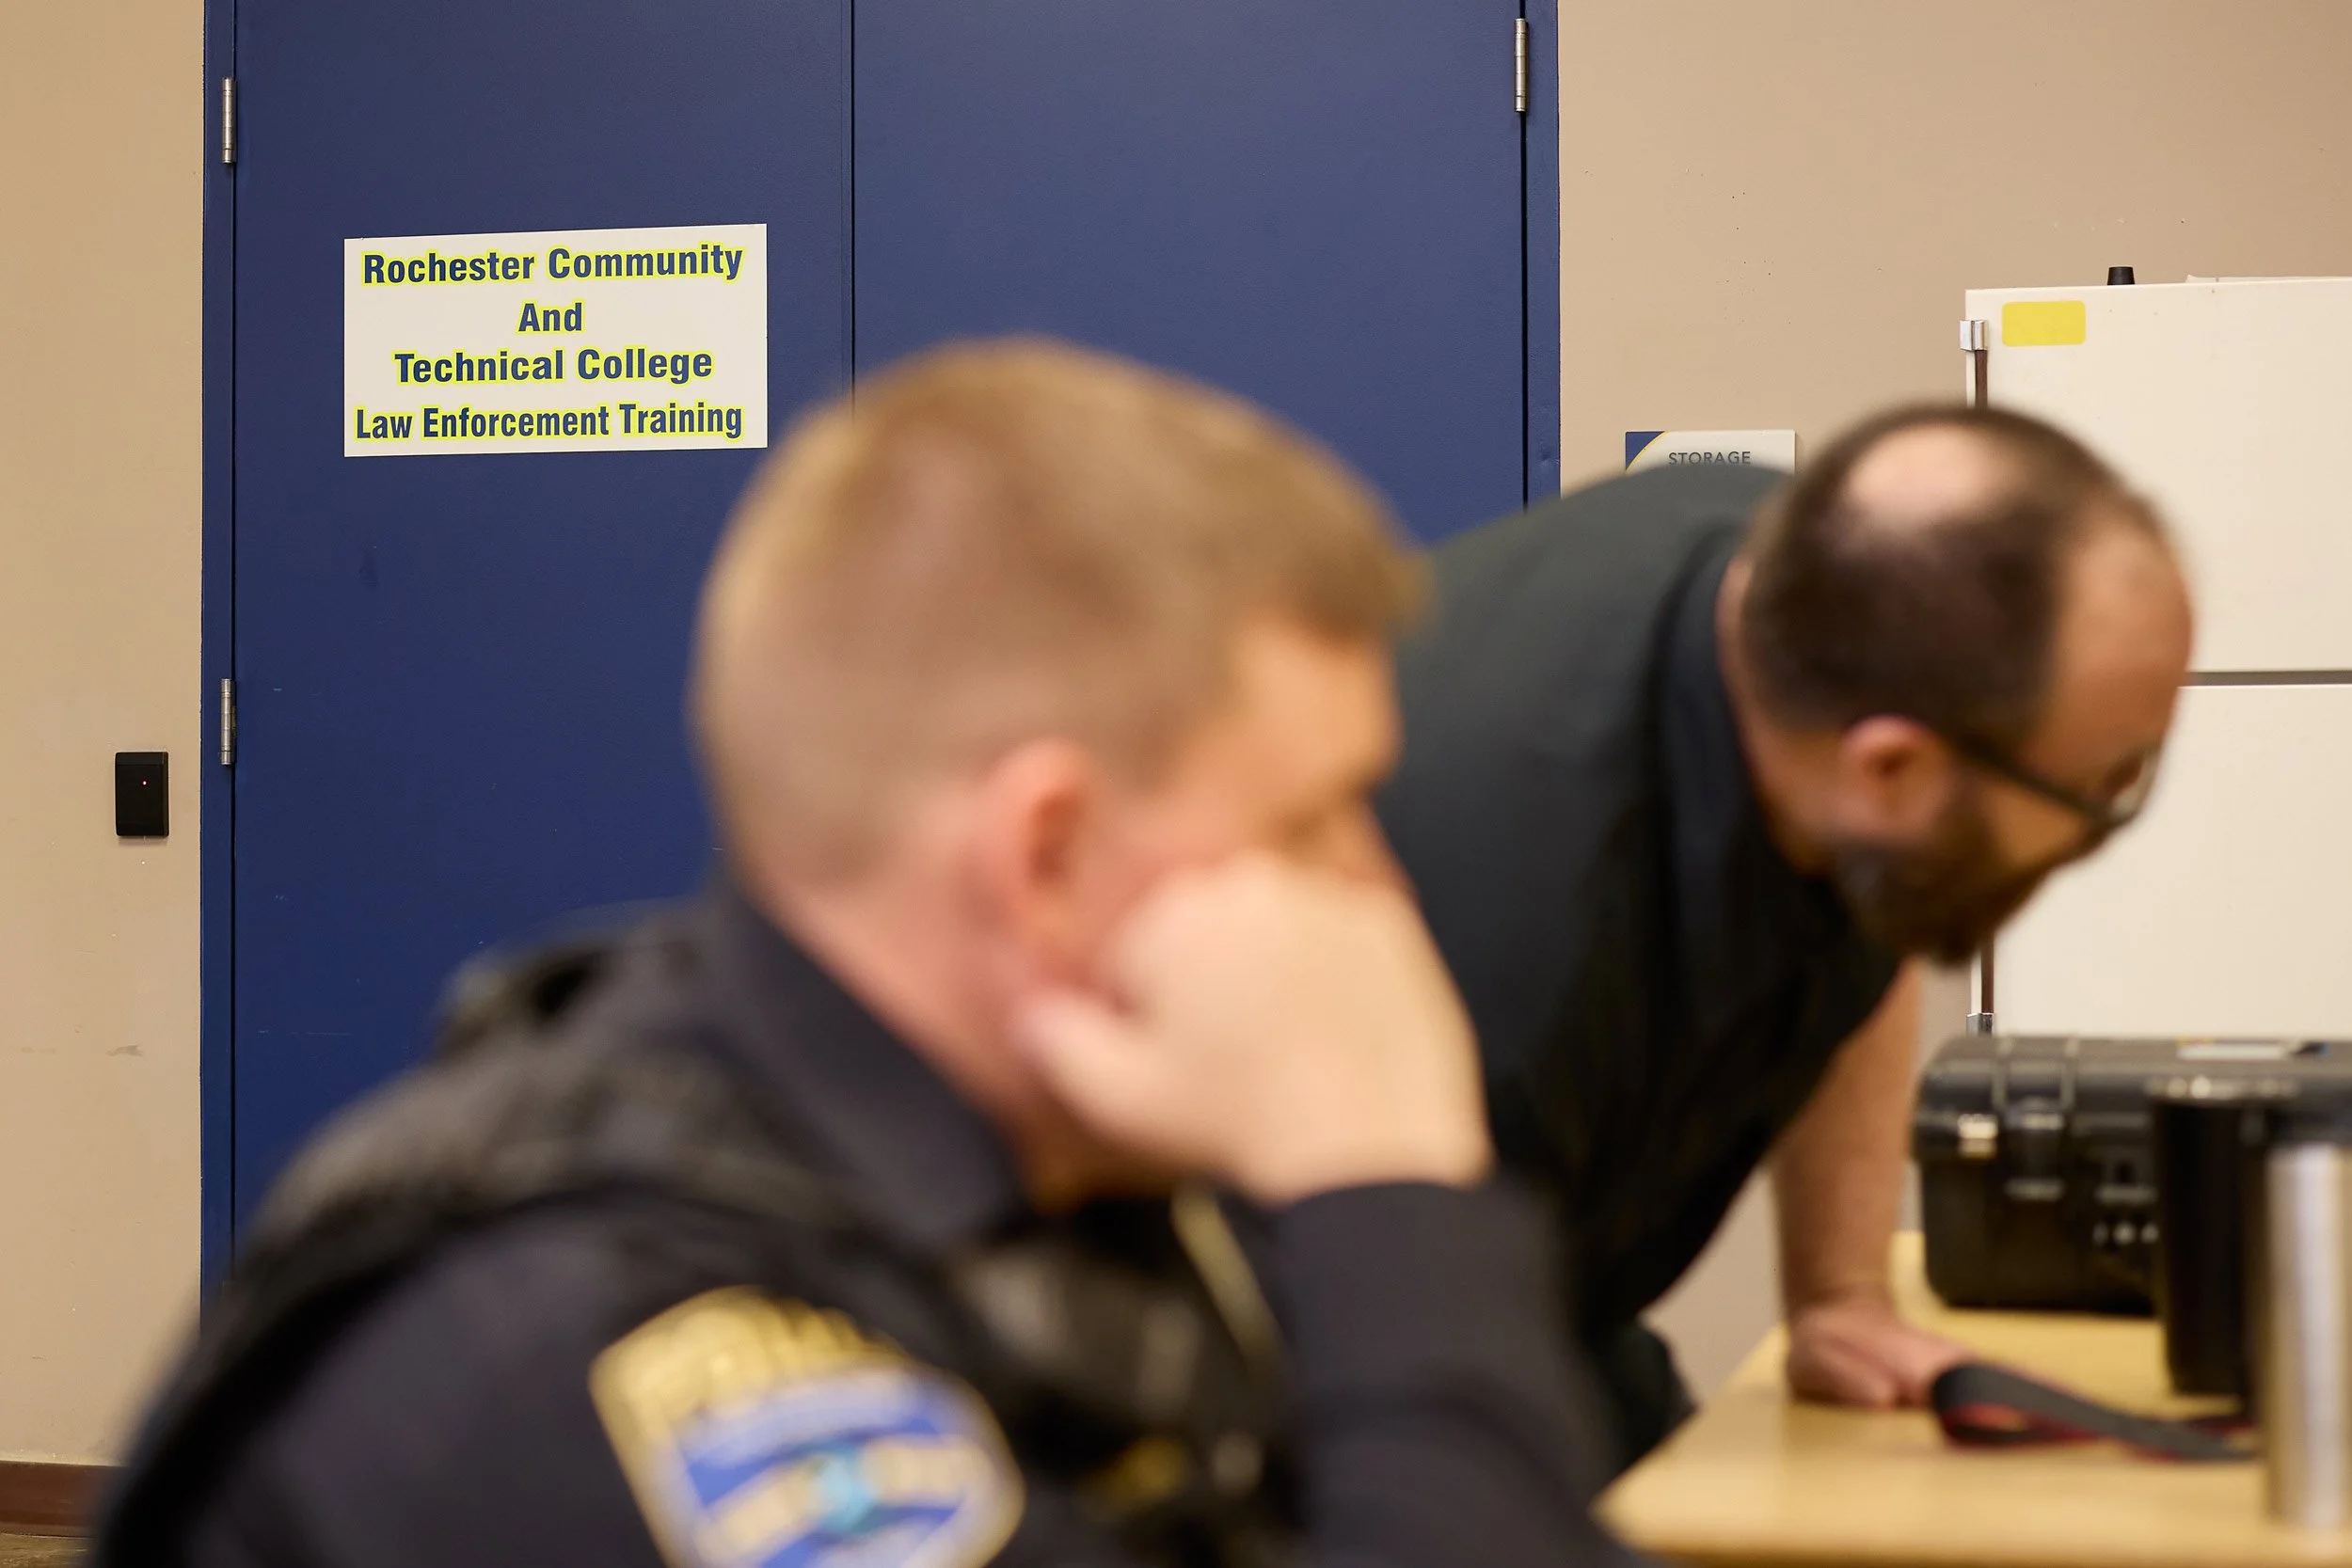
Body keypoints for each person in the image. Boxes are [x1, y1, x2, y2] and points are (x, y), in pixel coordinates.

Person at [97, 341, 1642, 1568]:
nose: (1375, 890)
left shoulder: (1094, 1194)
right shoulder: (618, 1358)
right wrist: (1387, 1184)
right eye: (1315, 822)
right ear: (1042, 858)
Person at [1376, 405, 2195, 1466]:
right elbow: (1393, 1428)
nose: (2106, 819)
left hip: (1541, 1304)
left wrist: (1840, 1294)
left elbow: (1879, 905)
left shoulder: (1810, 609)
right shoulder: (1507, 956)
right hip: (1324, 1372)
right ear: (1891, 769)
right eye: (2103, 782)